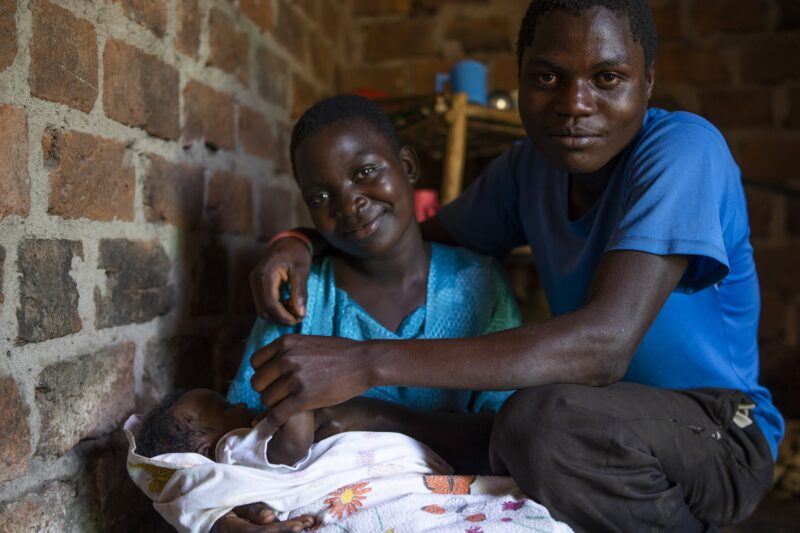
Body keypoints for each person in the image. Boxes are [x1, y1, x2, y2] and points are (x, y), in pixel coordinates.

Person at [243, 1, 784, 531]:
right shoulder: (530, 168)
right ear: (520, 77)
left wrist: (366, 362)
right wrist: (302, 239)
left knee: (542, 423)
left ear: (647, 83)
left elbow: (603, 347)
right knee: (487, 425)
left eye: (608, 77)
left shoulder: (683, 149)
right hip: (600, 421)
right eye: (548, 77)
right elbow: (402, 236)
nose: (575, 103)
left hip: (721, 431)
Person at [213, 94, 523, 532]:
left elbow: (508, 436)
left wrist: (376, 417)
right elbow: (241, 440)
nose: (348, 202)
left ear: (408, 167)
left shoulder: (477, 284)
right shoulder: (302, 296)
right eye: (321, 194)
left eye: (364, 172)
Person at [127, 388, 453, 532]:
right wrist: (294, 394)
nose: (240, 403)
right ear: (206, 449)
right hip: (414, 469)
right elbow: (297, 441)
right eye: (225, 406)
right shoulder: (232, 450)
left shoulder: (236, 468)